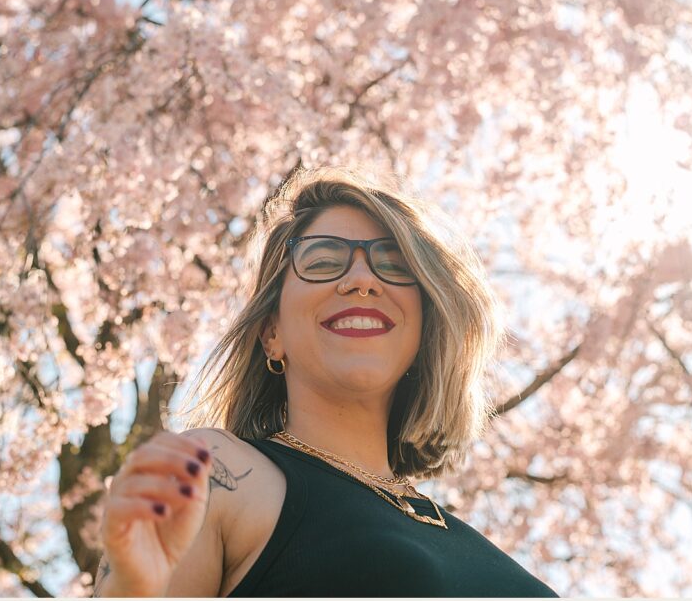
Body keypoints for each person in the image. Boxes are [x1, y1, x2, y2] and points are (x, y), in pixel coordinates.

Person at [93, 165, 559, 597]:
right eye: (321, 261)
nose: (361, 279)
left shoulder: (465, 539)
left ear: (424, 329)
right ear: (271, 333)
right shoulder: (217, 472)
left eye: (394, 264)